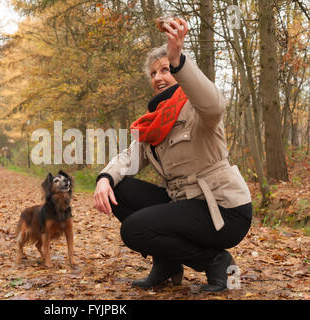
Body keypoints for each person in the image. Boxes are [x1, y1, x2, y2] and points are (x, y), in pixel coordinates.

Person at [92, 18, 252, 292]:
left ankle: (216, 261)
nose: (158, 77)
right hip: (185, 205)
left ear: (178, 73)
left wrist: (179, 59)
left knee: (134, 230)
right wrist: (105, 178)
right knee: (121, 189)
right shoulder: (153, 123)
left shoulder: (197, 108)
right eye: (154, 73)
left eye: (165, 70)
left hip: (224, 209)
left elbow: (213, 104)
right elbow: (129, 158)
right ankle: (168, 262)